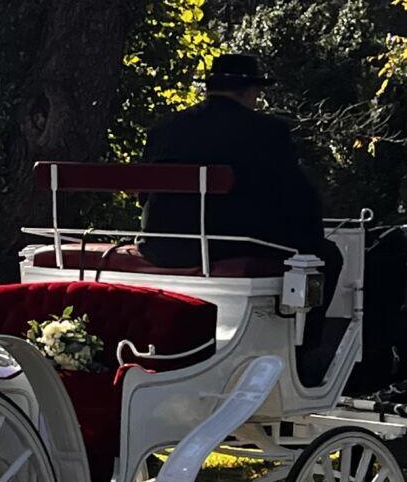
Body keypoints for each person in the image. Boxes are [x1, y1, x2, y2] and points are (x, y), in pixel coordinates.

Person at [139, 52, 343, 350]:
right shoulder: (268, 130)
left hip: (160, 245)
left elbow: (144, 195)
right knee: (328, 256)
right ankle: (304, 352)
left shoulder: (164, 128)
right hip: (229, 245)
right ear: (248, 92)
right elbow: (298, 196)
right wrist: (310, 235)